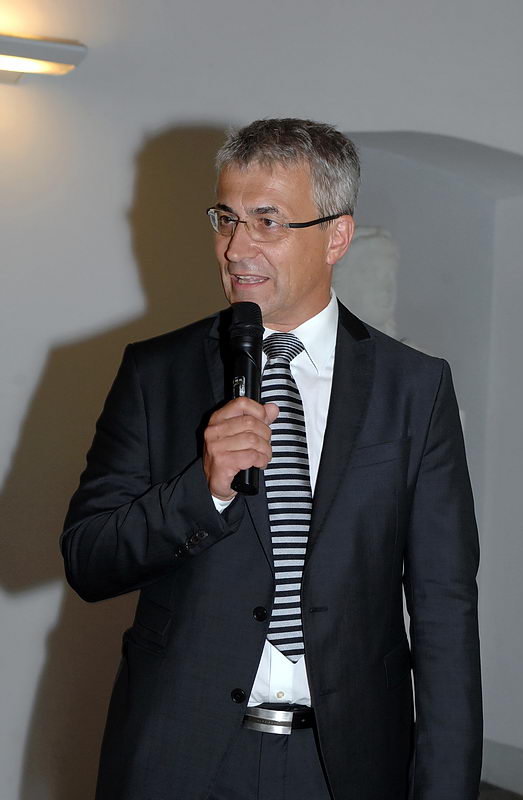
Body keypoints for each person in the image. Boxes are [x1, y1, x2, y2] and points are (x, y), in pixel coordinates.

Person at [61, 118, 482, 800]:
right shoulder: (155, 374)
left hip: (345, 766)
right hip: (180, 762)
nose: (236, 247)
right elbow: (88, 560)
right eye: (226, 218)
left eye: (267, 221)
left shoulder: (415, 386)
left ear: (336, 236)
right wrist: (204, 491)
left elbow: (444, 610)